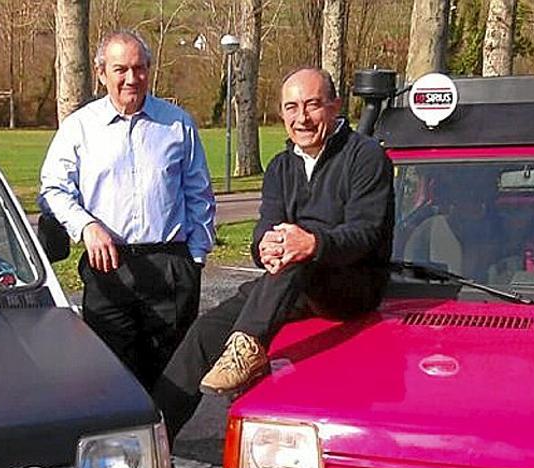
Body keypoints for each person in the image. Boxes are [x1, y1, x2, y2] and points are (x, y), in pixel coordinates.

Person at [152, 67, 394, 438]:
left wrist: (312, 243)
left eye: (313, 105)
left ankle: (247, 346)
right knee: (204, 332)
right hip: (290, 281)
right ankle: (151, 436)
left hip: (351, 284)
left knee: (296, 252)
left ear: (334, 106)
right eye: (292, 107)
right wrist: (263, 245)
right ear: (281, 113)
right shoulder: (281, 166)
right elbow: (267, 224)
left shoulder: (366, 157)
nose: (302, 118)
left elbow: (366, 233)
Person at [38, 30, 215, 390]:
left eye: (139, 68)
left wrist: (194, 259)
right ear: (101, 72)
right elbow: (53, 189)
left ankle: (165, 445)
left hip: (170, 267)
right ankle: (124, 448)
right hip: (109, 269)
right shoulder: (79, 128)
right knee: (112, 380)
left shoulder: (178, 124)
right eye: (121, 69)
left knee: (174, 381)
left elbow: (200, 195)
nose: (131, 78)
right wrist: (85, 226)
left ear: (149, 70)